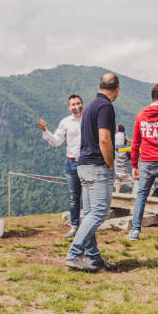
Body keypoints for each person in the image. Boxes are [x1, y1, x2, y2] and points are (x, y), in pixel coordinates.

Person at [65, 73, 121, 272]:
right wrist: (111, 164)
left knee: (89, 213)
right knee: (99, 212)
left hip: (83, 165)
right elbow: (104, 138)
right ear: (117, 89)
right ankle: (74, 254)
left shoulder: (89, 106)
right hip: (97, 166)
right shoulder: (106, 107)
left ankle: (93, 256)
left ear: (99, 86)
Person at [127, 84, 158, 241]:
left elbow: (135, 143)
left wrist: (134, 165)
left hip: (146, 160)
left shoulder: (141, 115)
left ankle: (135, 231)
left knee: (141, 194)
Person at [38, 94, 84, 238]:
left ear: (83, 104)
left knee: (89, 197)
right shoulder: (65, 122)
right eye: (73, 104)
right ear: (69, 107)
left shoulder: (90, 119)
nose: (76, 106)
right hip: (71, 163)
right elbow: (57, 141)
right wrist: (45, 130)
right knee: (73, 197)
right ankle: (74, 226)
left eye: (78, 103)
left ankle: (88, 227)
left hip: (88, 162)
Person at [114, 125, 133, 193]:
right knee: (133, 185)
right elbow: (133, 159)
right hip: (124, 173)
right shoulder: (127, 152)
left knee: (118, 186)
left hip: (116, 173)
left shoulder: (114, 152)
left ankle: (115, 202)